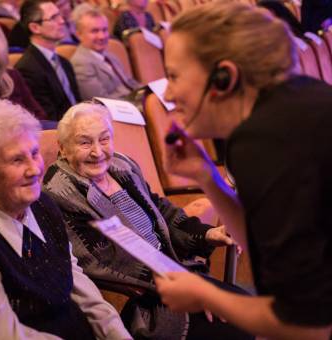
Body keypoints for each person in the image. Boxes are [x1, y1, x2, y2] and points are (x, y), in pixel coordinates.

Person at [154, 3, 332, 339]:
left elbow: (306, 328)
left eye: (174, 76)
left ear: (224, 77)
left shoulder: (267, 142)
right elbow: (265, 249)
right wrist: (206, 177)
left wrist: (205, 295)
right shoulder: (280, 110)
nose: (167, 92)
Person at [42, 102, 253, 340]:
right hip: (149, 298)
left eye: (104, 139)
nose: (97, 152)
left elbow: (161, 209)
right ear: (62, 148)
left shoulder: (122, 165)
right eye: (84, 142)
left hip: (179, 275)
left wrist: (208, 234)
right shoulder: (59, 192)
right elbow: (109, 260)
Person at [0, 100, 132, 340]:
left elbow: (81, 288)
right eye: (17, 160)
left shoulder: (43, 206)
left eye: (34, 153)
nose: (34, 170)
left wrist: (117, 334)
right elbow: (4, 335)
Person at [15, 0, 81, 121]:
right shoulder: (27, 69)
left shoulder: (64, 62)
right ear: (35, 27)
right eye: (53, 18)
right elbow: (47, 118)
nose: (61, 21)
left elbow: (78, 102)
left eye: (59, 15)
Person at [71, 6, 141, 100]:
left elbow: (130, 82)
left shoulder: (109, 56)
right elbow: (101, 101)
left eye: (104, 30)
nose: (102, 36)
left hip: (134, 101)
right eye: (94, 31)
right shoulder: (80, 63)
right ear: (79, 35)